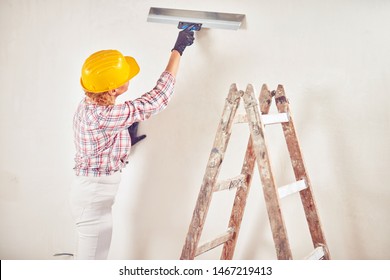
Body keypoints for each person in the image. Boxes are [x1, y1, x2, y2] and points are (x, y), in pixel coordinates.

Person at [69, 27, 195, 259]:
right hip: (94, 197)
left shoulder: (90, 104)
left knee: (94, 258)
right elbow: (157, 99)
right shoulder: (104, 115)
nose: (129, 77)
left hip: (94, 194)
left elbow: (101, 135)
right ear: (113, 88)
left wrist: (122, 136)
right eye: (124, 76)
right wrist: (177, 51)